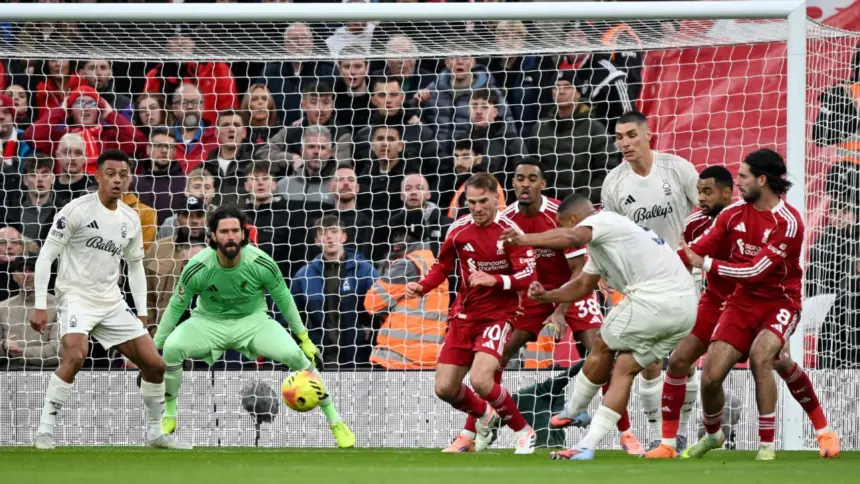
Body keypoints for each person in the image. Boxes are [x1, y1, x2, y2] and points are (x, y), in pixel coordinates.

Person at [446, 160, 642, 455]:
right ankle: (474, 432)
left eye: (532, 179)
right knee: (496, 355)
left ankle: (626, 434)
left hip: (573, 291)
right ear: (511, 185)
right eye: (519, 178)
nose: (525, 184)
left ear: (543, 184)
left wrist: (559, 307)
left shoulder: (558, 214)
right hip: (532, 295)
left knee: (601, 355)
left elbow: (579, 269)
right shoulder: (506, 219)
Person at [501, 192, 698, 460]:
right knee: (625, 369)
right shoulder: (602, 247)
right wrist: (548, 297)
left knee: (603, 343)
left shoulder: (605, 220)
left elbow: (571, 238)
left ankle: (574, 409)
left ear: (573, 220)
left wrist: (523, 240)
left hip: (657, 299)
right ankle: (587, 446)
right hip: (684, 310)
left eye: (563, 225)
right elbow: (582, 285)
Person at [678, 149, 839, 460]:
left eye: (743, 177)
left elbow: (754, 271)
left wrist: (708, 265)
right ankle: (713, 435)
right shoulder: (731, 214)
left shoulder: (789, 223)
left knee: (763, 357)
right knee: (710, 376)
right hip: (741, 302)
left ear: (762, 180)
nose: (737, 182)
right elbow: (693, 251)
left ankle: (775, 444)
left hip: (780, 301)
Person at [153, 206, 355, 449]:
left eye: (235, 231)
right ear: (213, 236)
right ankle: (170, 414)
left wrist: (304, 339)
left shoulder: (261, 263)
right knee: (173, 348)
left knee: (296, 356)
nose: (230, 236)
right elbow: (176, 307)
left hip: (253, 323)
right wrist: (155, 347)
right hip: (207, 323)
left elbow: (285, 300)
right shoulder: (198, 266)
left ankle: (336, 422)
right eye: (224, 231)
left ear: (243, 233)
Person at [30, 149, 185, 450]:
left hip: (111, 302)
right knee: (75, 356)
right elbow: (46, 256)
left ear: (129, 179)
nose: (117, 180)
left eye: (123, 175)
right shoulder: (76, 210)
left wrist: (141, 312)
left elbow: (136, 265)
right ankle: (44, 431)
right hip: (75, 297)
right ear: (97, 176)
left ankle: (156, 433)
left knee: (155, 365)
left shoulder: (130, 218)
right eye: (111, 174)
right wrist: (39, 304)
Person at [405, 173, 538, 455]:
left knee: (481, 379)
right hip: (464, 316)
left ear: (496, 199)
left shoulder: (510, 232)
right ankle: (486, 415)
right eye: (472, 202)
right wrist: (422, 286)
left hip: (499, 315)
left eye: (483, 202)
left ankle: (524, 431)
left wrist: (496, 280)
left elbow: (528, 276)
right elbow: (442, 266)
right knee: (444, 388)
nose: (477, 208)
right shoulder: (458, 230)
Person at [600, 110, 699, 449]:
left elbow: (707, 216)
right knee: (648, 362)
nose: (624, 143)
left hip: (687, 276)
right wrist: (602, 268)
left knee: (685, 358)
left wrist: (696, 255)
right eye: (619, 137)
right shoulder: (614, 183)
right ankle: (660, 436)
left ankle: (681, 430)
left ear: (647, 135)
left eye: (630, 135)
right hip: (644, 283)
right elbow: (608, 234)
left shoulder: (678, 168)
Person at [641, 165, 734, 458]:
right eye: (699, 191)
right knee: (679, 360)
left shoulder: (748, 218)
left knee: (773, 363)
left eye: (708, 191)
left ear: (727, 193)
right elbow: (681, 260)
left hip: (752, 303)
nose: (701, 198)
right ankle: (669, 442)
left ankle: (820, 433)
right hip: (714, 300)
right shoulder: (694, 224)